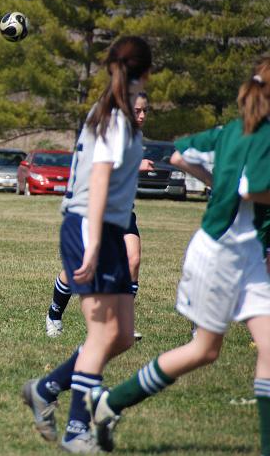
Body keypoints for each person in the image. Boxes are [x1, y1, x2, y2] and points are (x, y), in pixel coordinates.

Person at [87, 58, 270, 455]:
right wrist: (226, 186)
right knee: (204, 350)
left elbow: (180, 154)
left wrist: (218, 183)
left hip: (249, 255)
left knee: (266, 351)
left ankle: (108, 404)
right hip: (220, 254)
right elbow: (255, 188)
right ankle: (110, 403)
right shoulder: (259, 136)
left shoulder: (231, 131)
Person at [21, 36, 152, 453]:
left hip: (105, 227)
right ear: (146, 70)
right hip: (89, 226)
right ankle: (77, 430)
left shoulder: (122, 113)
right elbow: (97, 182)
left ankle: (46, 388)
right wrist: (94, 243)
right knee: (101, 334)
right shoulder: (114, 115)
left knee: (123, 335)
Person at [45, 93, 151, 339]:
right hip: (94, 212)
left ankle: (123, 321)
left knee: (133, 260)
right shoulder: (110, 126)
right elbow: (101, 171)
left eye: (145, 110)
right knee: (80, 270)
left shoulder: (133, 134)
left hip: (121, 212)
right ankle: (54, 313)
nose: (142, 116)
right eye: (137, 110)